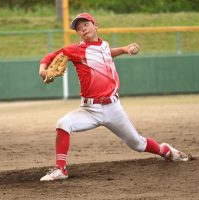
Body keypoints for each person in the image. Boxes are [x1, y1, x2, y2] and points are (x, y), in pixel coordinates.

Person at [38, 13, 189, 181]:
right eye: (79, 29)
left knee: (137, 144)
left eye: (85, 25)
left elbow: (106, 53)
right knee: (63, 124)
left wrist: (124, 49)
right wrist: (43, 70)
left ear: (96, 26)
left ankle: (165, 151)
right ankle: (61, 170)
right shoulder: (76, 50)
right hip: (90, 109)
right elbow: (50, 55)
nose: (82, 29)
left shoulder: (104, 45)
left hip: (113, 108)